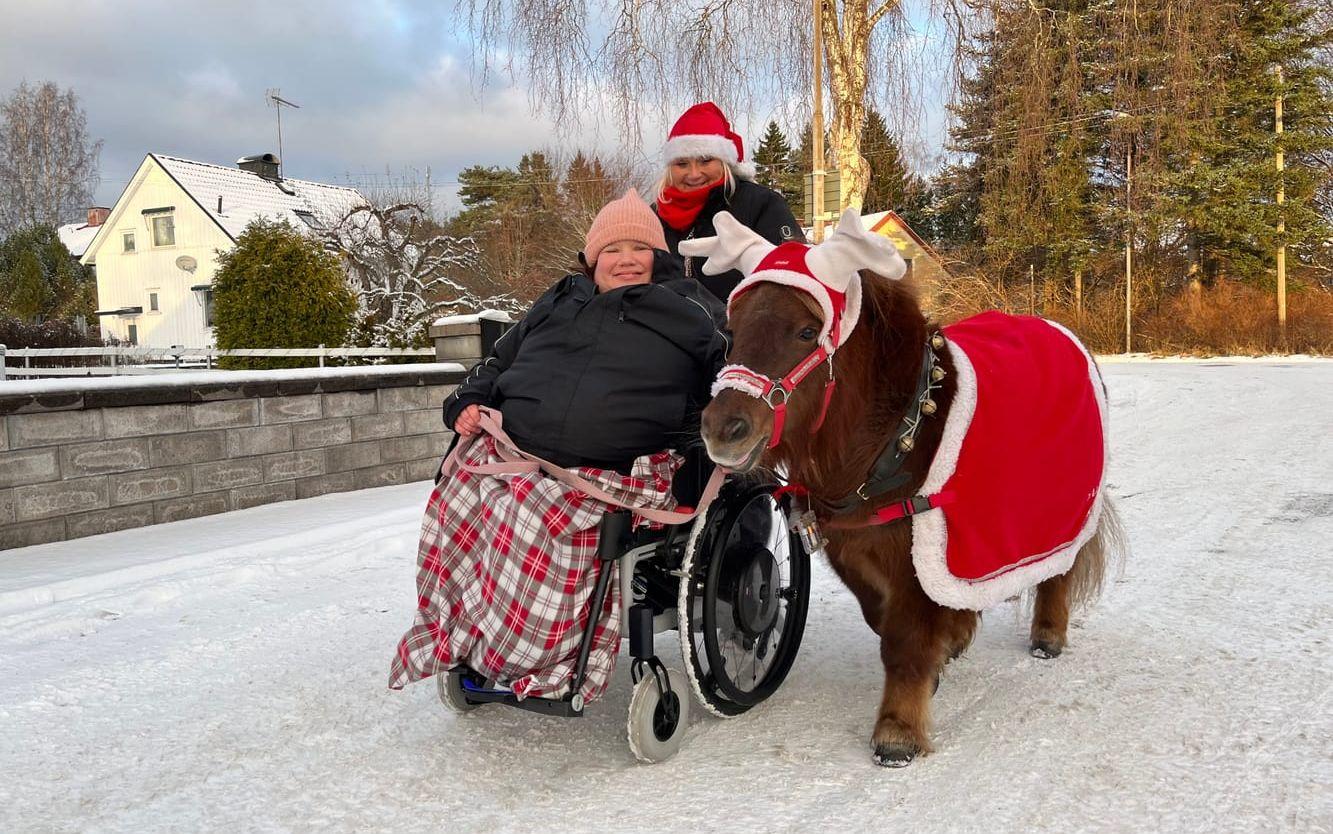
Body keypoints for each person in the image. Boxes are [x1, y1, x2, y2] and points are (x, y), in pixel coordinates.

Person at [389, 189, 728, 704]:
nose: (626, 260)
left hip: (611, 470)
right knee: (455, 506)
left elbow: (733, 381)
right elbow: (499, 361)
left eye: (640, 247)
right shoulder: (561, 297)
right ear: (593, 257)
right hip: (515, 451)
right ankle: (467, 637)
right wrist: (468, 399)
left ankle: (525, 658)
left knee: (527, 521)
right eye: (613, 249)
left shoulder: (691, 308)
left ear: (659, 256)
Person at [653, 101, 805, 301]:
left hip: (740, 329)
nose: (694, 174)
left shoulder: (761, 204)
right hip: (668, 328)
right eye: (682, 164)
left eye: (706, 160)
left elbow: (794, 276)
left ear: (725, 162)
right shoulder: (653, 217)